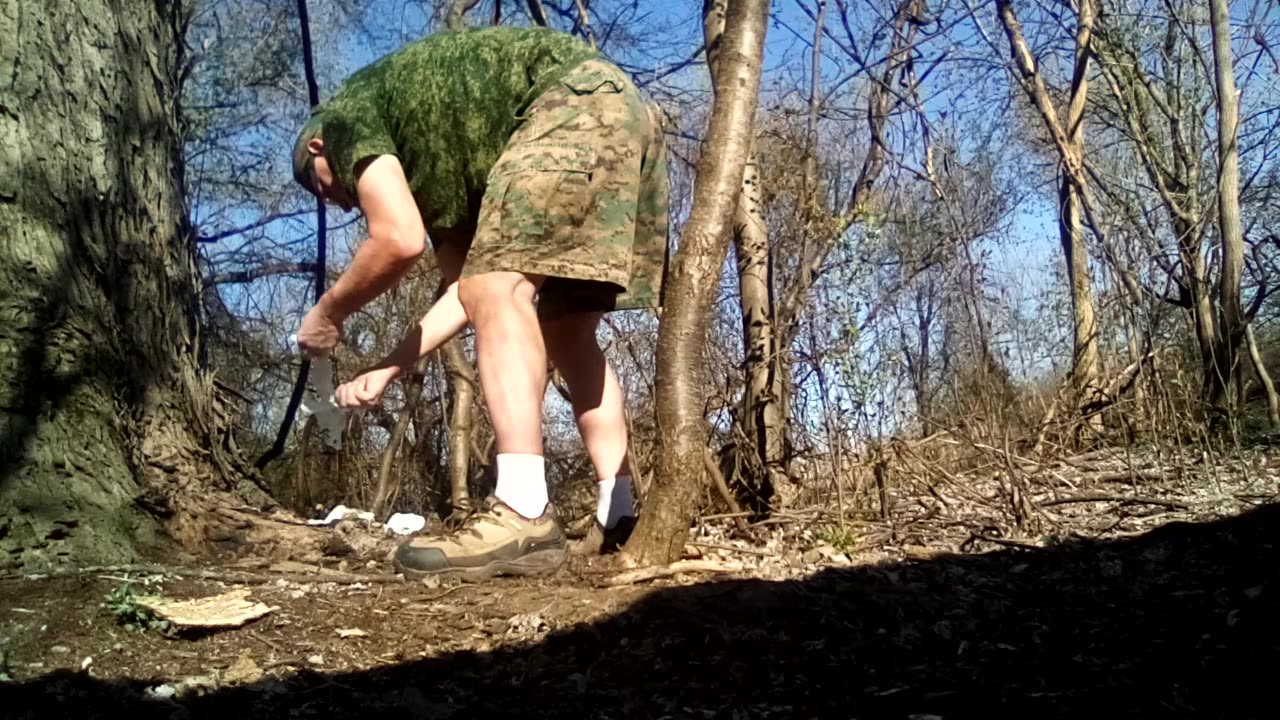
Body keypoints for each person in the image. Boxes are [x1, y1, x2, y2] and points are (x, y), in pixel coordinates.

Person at [290, 24, 668, 580]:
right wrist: (389, 368)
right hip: (624, 120)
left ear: (319, 147)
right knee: (564, 329)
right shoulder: (445, 183)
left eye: (321, 185)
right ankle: (620, 512)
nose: (339, 201)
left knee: (500, 285)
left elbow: (396, 239)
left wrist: (327, 314)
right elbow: (463, 296)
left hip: (569, 106)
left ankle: (522, 510)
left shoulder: (344, 118)